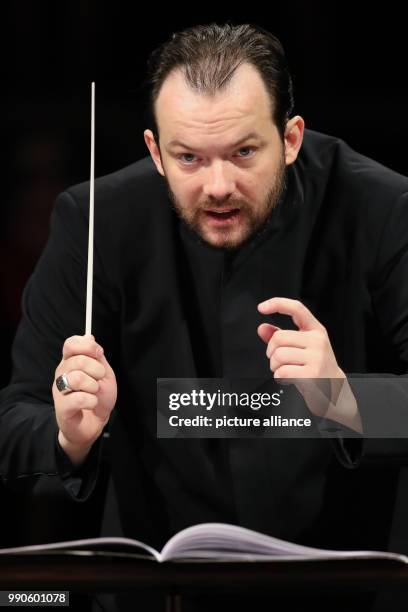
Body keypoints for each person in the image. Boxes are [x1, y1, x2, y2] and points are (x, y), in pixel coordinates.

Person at [1, 22, 408, 612]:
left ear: (291, 138)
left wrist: (344, 400)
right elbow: (17, 417)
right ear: (153, 150)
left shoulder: (382, 208)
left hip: (348, 591)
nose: (218, 186)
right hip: (155, 591)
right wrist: (69, 435)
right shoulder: (96, 220)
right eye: (188, 157)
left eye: (244, 152)